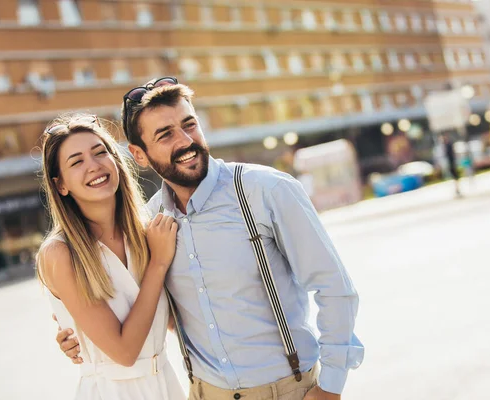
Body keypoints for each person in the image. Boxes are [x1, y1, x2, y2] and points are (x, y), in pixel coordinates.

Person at [57, 77, 364, 399]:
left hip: (287, 389)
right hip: (205, 392)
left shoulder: (266, 190)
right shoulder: (149, 220)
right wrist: (80, 336)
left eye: (190, 125)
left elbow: (334, 288)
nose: (186, 141)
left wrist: (330, 387)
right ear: (139, 154)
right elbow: (142, 304)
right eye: (165, 135)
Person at [37, 114, 185, 399]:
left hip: (167, 385)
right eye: (76, 162)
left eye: (100, 152)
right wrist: (159, 264)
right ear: (61, 186)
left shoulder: (147, 233)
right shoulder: (60, 253)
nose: (94, 166)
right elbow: (124, 353)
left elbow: (173, 322)